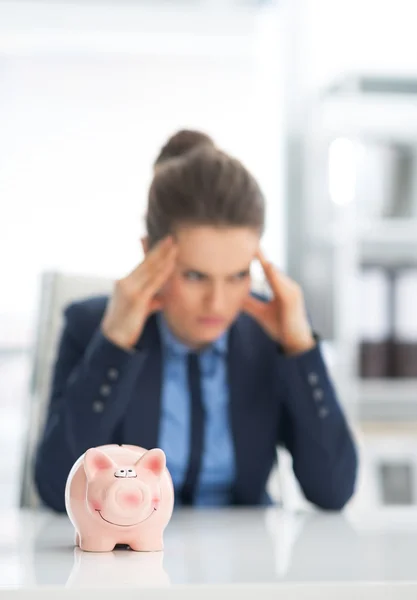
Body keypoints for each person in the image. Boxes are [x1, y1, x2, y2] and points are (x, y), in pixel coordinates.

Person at [34, 130, 358, 512]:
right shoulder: (91, 327)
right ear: (149, 255)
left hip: (245, 559)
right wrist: (115, 345)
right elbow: (56, 492)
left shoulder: (267, 337)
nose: (218, 303)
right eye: (194, 276)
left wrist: (301, 350)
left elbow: (333, 490)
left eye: (238, 275)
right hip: (128, 560)